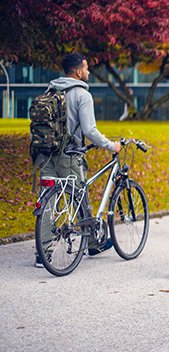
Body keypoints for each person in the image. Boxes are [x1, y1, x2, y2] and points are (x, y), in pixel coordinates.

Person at [35, 53, 122, 268]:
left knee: (46, 202)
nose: (89, 72)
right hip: (69, 156)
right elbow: (89, 130)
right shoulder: (82, 95)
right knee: (81, 200)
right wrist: (112, 146)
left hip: (46, 155)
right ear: (78, 72)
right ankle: (92, 243)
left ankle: (42, 254)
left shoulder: (51, 89)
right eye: (87, 68)